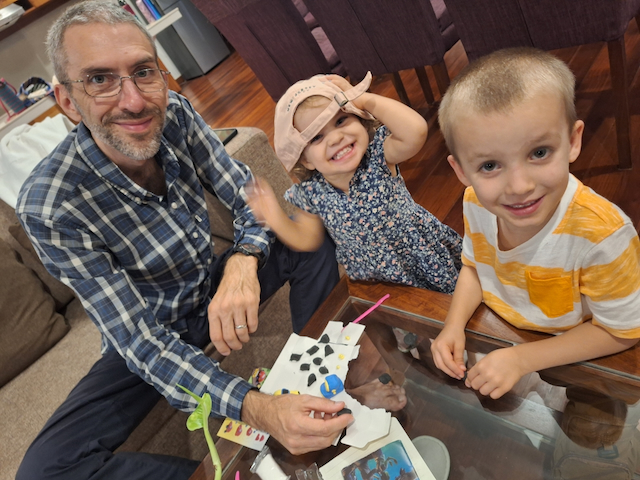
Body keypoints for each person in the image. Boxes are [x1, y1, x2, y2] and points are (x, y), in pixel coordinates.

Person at [14, 1, 349, 478]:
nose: (134, 101)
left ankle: (319, 373)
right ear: (67, 100)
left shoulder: (176, 114)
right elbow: (141, 342)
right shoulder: (49, 204)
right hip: (148, 329)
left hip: (205, 287)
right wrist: (257, 408)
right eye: (100, 79)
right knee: (44, 470)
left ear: (161, 73)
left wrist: (243, 260)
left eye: (142, 72)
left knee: (304, 232)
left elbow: (250, 198)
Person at [431, 47, 640, 400]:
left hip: (579, 356)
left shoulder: (602, 234)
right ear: (461, 171)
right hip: (502, 337)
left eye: (539, 153)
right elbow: (475, 266)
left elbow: (623, 331)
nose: (519, 186)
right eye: (489, 165)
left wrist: (522, 359)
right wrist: (453, 325)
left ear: (572, 141)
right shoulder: (476, 203)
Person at [247, 73, 462, 351]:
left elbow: (416, 131)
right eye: (317, 136)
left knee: (451, 316)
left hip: (420, 258)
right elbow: (307, 239)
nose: (336, 137)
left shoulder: (378, 156)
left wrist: (364, 99)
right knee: (410, 338)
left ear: (359, 119)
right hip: (374, 283)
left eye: (341, 120)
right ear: (305, 159)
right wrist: (275, 218)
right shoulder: (312, 193)